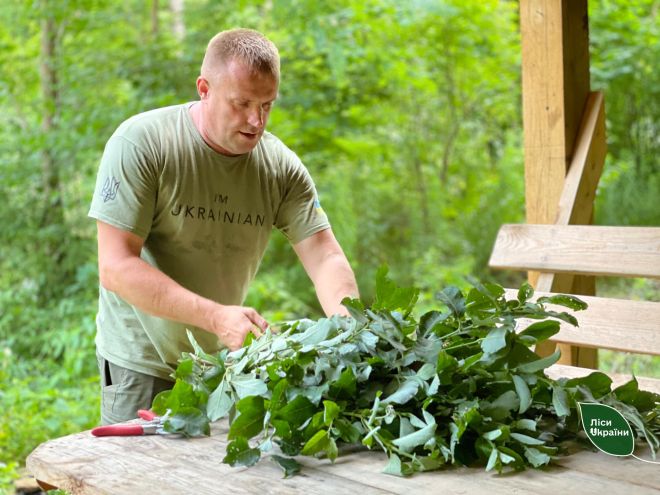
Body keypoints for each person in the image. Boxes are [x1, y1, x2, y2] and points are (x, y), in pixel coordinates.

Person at [88, 28, 359, 425]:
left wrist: (352, 327)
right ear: (204, 88)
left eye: (267, 105)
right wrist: (217, 317)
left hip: (223, 366)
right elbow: (116, 267)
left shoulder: (279, 167)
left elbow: (325, 254)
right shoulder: (142, 143)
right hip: (141, 363)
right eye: (242, 103)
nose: (256, 120)